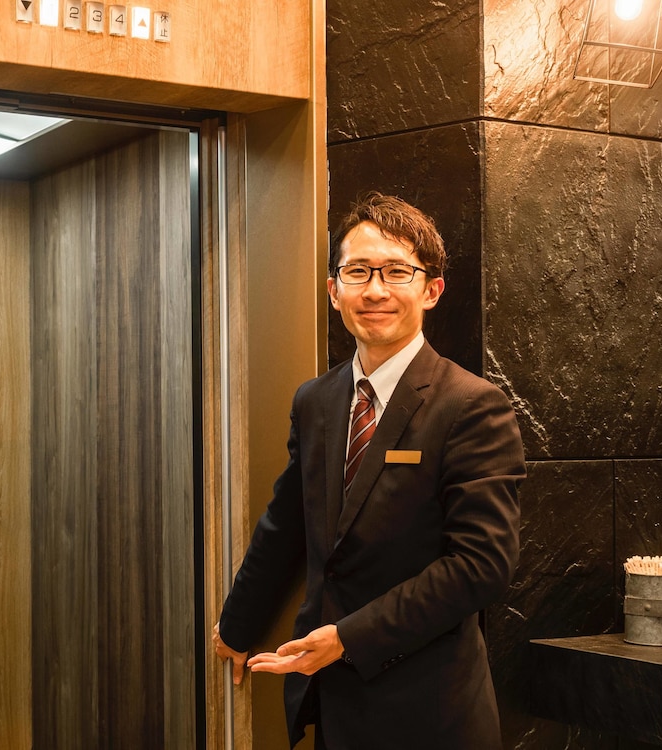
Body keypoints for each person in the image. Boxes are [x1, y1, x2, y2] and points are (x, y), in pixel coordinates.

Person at [213, 192, 526, 749]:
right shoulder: (316, 400)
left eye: (397, 272)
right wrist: (236, 627)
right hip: (333, 705)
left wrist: (347, 638)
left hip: (430, 711)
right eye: (357, 272)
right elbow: (286, 525)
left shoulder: (472, 406)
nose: (375, 290)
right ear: (334, 291)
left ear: (431, 290)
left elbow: (481, 566)